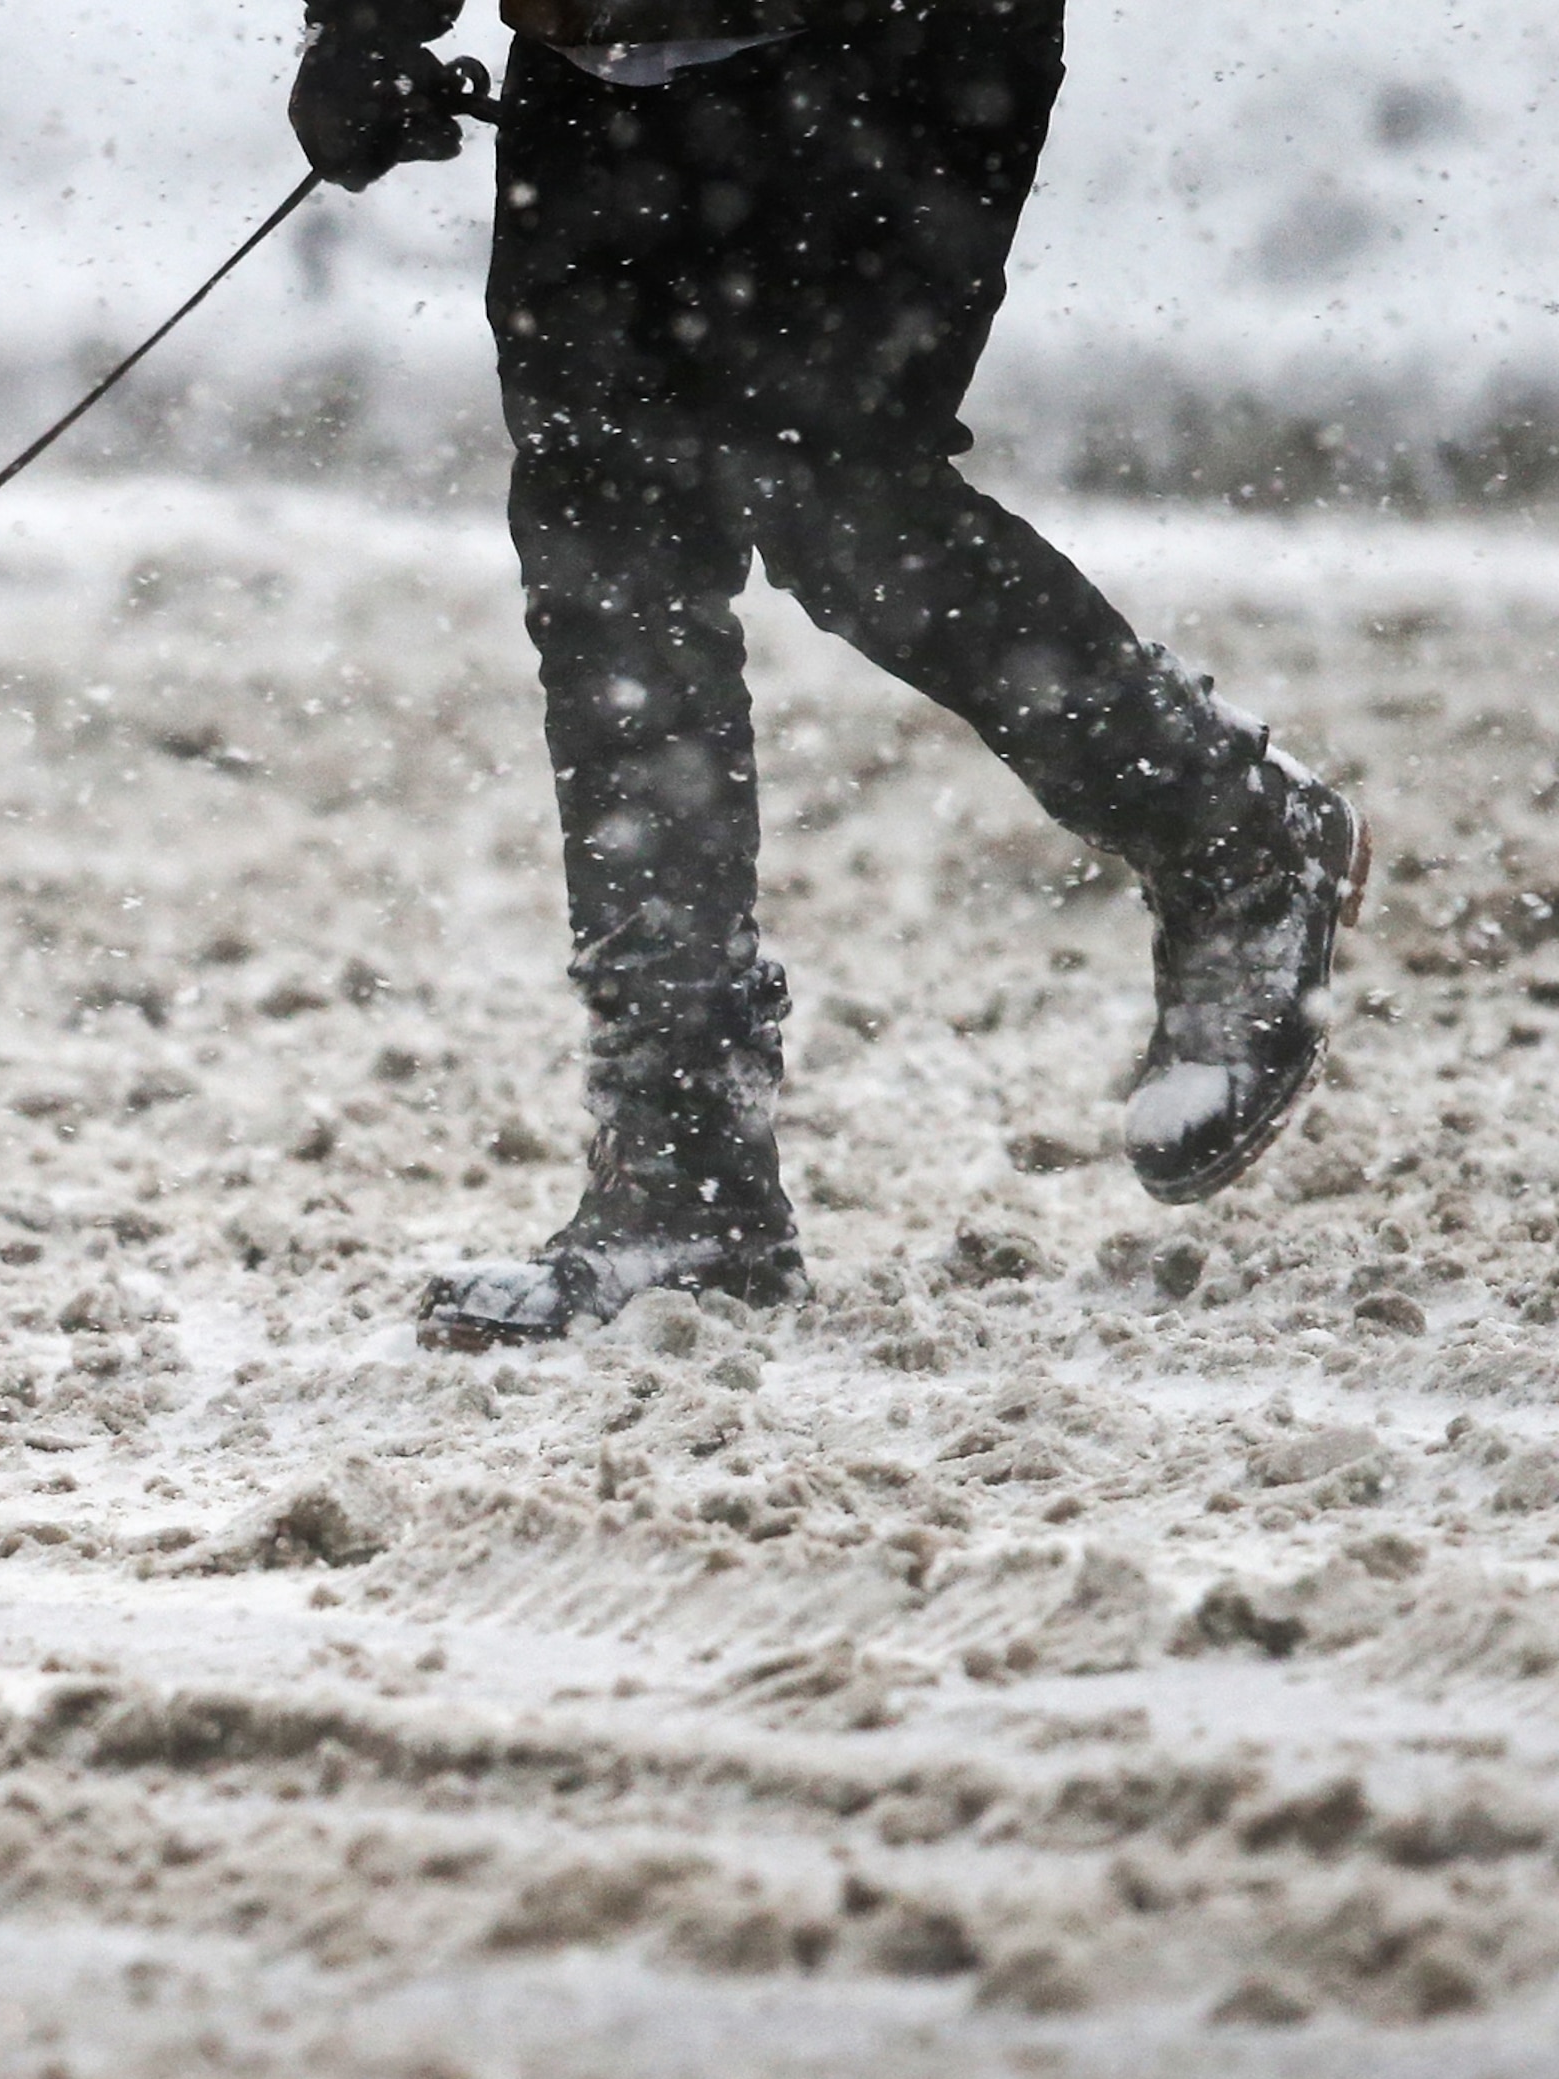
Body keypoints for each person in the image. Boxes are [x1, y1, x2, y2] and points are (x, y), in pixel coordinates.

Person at [286, 0, 1369, 1347]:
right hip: (593, 57)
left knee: (838, 498)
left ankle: (1227, 834)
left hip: (887, 45)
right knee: (606, 560)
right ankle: (682, 1185)